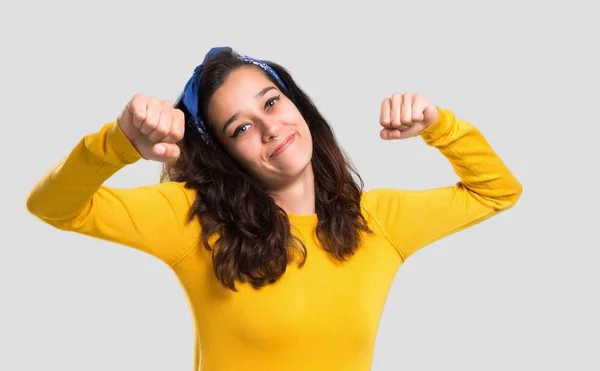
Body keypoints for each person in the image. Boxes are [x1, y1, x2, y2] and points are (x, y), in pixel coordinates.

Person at [26, 46, 522, 370]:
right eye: (239, 128)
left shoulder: (379, 221)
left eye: (271, 103)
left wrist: (441, 126)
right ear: (224, 154)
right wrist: (117, 143)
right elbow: (53, 206)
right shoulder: (193, 220)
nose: (269, 129)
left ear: (296, 104)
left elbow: (498, 191)